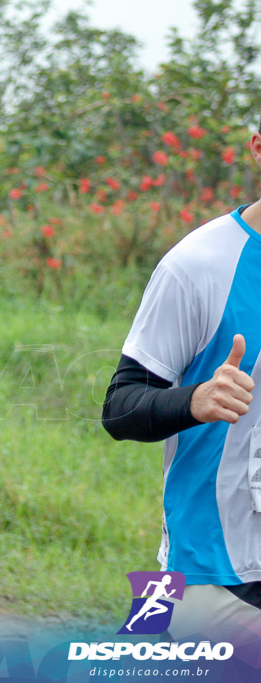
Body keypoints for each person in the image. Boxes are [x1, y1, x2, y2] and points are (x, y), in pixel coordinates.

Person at [101, 124, 261, 642]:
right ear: (258, 148)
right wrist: (196, 400)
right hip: (214, 571)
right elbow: (120, 407)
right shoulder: (199, 265)